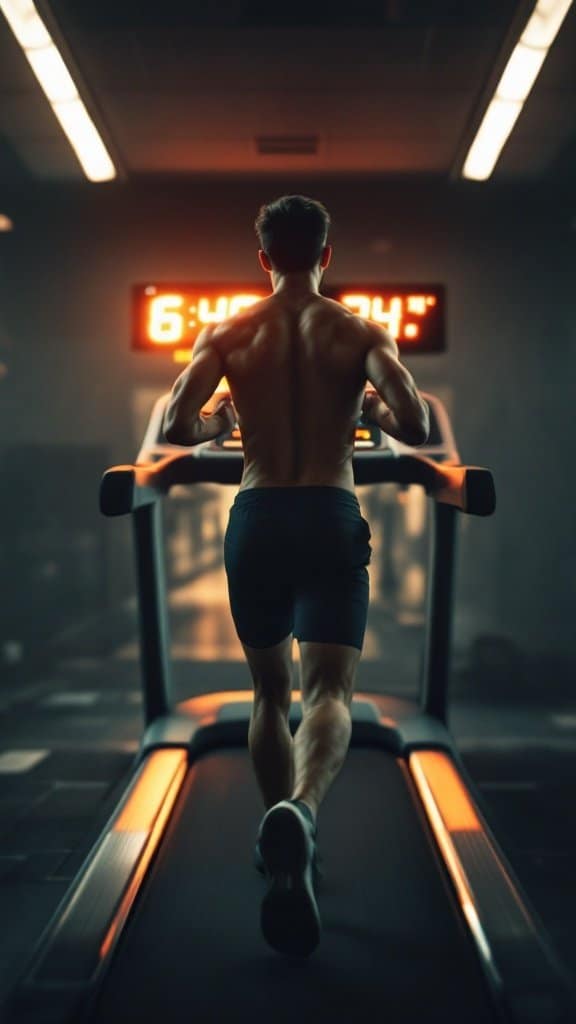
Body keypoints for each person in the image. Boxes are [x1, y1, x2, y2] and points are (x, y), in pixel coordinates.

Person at [163, 195, 430, 958]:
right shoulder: (357, 330)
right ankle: (304, 814)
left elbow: (180, 424)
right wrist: (371, 405)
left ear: (262, 258)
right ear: (326, 254)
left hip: (257, 516)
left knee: (269, 694)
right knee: (329, 695)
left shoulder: (227, 332)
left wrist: (223, 422)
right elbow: (411, 425)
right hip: (328, 512)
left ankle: (281, 842)